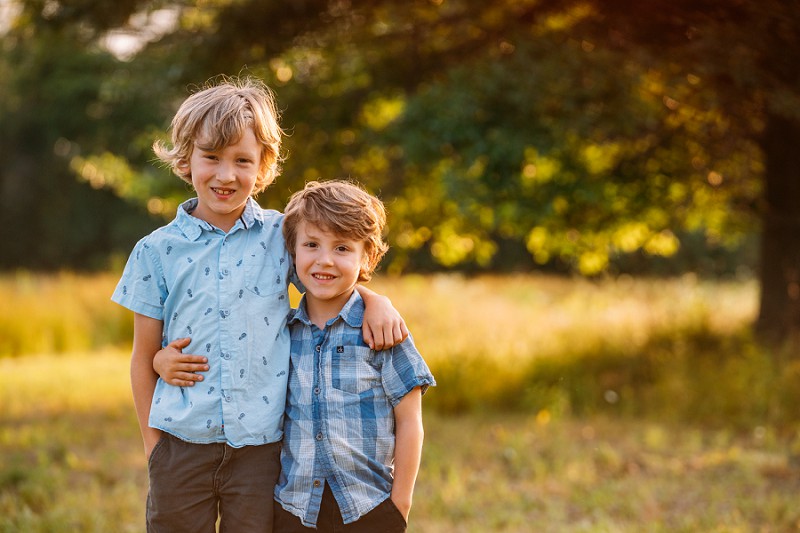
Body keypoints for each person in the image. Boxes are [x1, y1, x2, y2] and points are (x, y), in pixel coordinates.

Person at [111, 77, 407, 533]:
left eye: (242, 161)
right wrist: (154, 447)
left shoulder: (280, 235)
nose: (226, 175)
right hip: (180, 443)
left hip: (262, 450)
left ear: (263, 165)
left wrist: (375, 297)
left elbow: (325, 276)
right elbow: (141, 356)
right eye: (211, 157)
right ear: (186, 159)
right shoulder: (157, 251)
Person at [273, 180, 436, 532]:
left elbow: (409, 421)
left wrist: (400, 503)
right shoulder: (282, 332)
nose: (325, 260)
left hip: (369, 506)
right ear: (293, 251)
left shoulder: (381, 331)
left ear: (368, 257)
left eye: (342, 248)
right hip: (294, 508)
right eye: (311, 244)